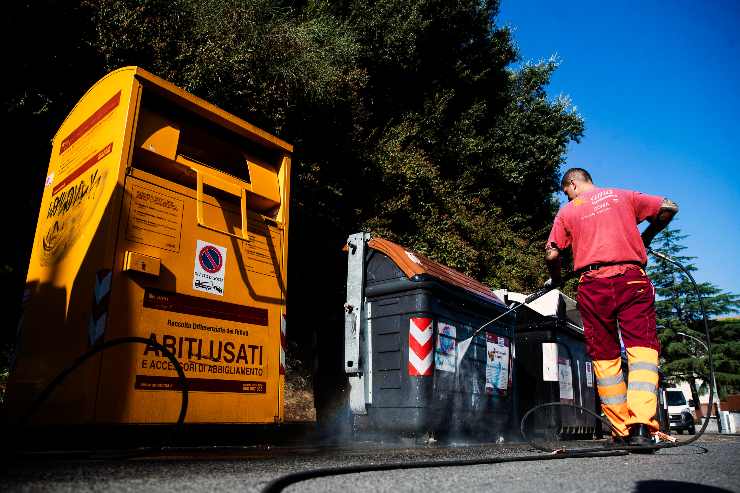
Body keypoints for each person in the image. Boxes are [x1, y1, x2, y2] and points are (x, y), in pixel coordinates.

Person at [544, 168, 678, 446]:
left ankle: (620, 430)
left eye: (567, 192)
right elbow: (668, 207)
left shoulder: (569, 212)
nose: (568, 196)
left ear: (573, 183)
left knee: (604, 355)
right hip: (631, 279)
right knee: (642, 348)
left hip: (593, 286)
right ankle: (641, 426)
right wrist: (647, 236)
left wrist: (556, 279)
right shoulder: (623, 196)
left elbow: (553, 252)